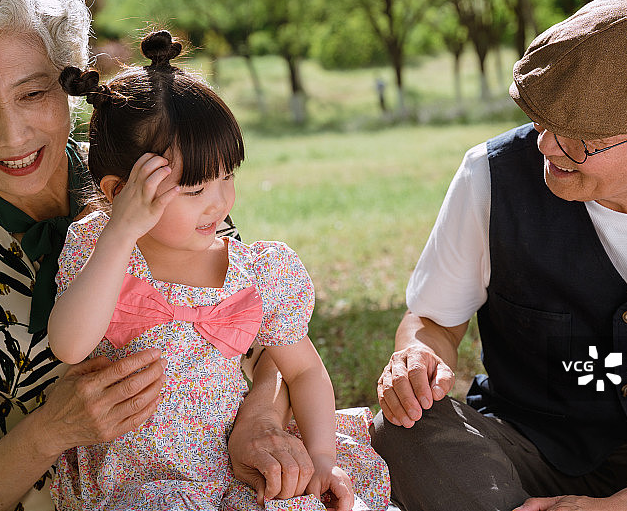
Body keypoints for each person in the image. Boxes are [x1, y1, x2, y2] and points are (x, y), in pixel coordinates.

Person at [372, 0, 627, 511]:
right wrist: (418, 355)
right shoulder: (489, 175)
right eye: (544, 119)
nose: (547, 146)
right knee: (408, 426)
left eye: (580, 138)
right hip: (534, 449)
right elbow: (433, 321)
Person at [0, 0, 324, 511]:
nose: (15, 136)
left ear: (70, 84)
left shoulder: (159, 172)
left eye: (34, 92)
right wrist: (46, 435)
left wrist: (261, 412)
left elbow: (264, 334)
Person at [47, 30, 389, 511]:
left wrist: (320, 456)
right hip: (138, 483)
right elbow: (69, 344)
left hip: (232, 468)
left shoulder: (254, 272)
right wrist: (119, 234)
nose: (219, 202)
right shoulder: (101, 253)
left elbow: (306, 371)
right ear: (118, 191)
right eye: (192, 191)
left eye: (227, 176)